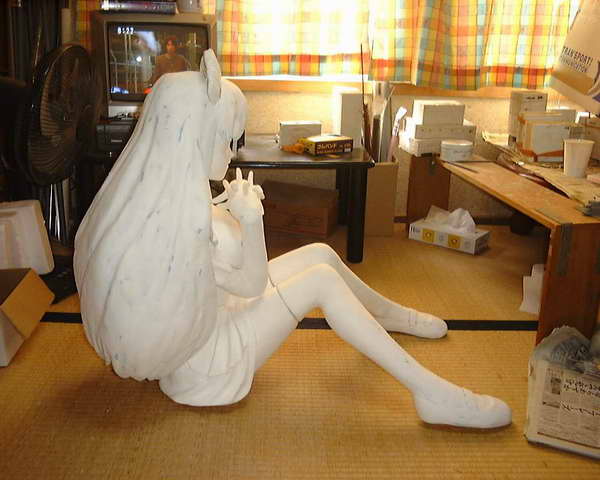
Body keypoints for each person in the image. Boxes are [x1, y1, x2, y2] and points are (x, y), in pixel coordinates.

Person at [74, 49, 511, 429]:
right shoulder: (190, 221)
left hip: (202, 336)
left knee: (320, 251)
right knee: (320, 280)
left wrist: (233, 217)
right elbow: (251, 283)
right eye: (226, 138)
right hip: (212, 364)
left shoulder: (155, 199)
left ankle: (390, 316)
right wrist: (250, 220)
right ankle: (430, 392)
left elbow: (216, 275)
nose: (229, 151)